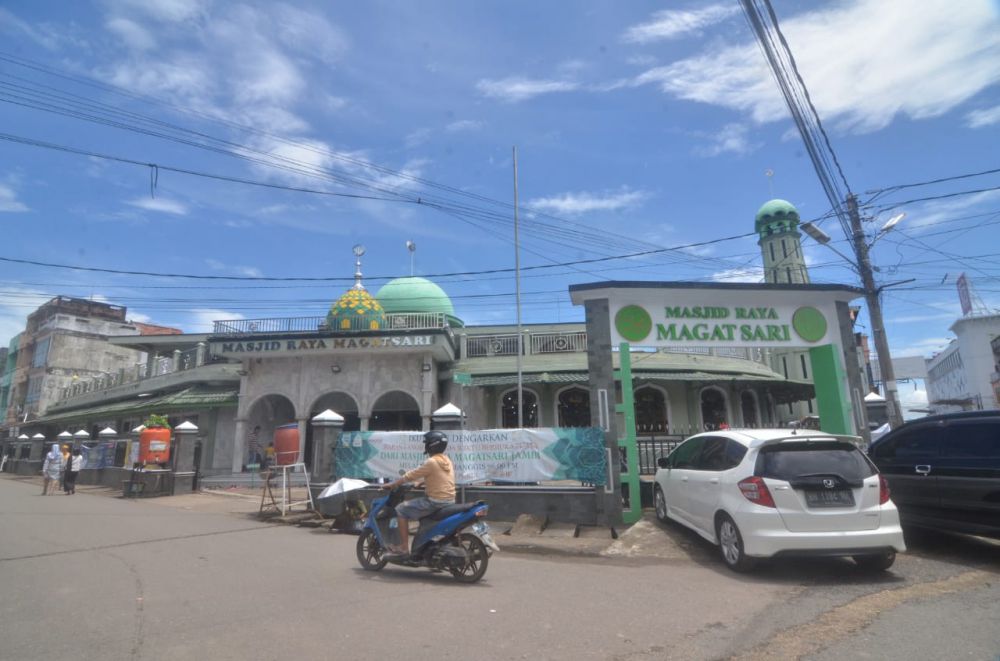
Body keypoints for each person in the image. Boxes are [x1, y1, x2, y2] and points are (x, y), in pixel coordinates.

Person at [381, 431, 455, 558]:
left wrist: (392, 484)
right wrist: (421, 483)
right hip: (449, 501)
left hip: (435, 502)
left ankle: (404, 548)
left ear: (431, 446)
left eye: (426, 444)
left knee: (401, 509)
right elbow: (438, 477)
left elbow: (410, 475)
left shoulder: (431, 462)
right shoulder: (447, 460)